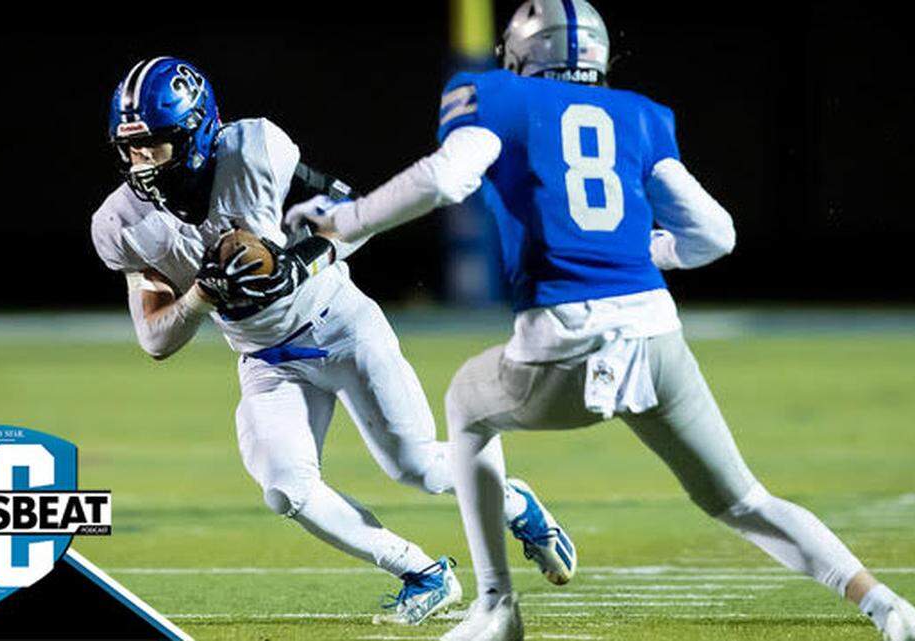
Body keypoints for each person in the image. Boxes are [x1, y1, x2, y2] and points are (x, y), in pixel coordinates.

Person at [284, 2, 915, 640]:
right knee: (743, 499)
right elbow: (716, 235)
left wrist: (344, 222)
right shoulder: (636, 114)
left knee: (466, 402)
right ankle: (888, 607)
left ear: (520, 54)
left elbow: (449, 179)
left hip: (563, 341)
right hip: (656, 338)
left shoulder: (497, 96)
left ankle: (497, 606)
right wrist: (646, 249)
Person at [90, 56, 575, 625]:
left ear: (196, 130)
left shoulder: (255, 151)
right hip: (264, 357)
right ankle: (422, 572)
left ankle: (516, 502)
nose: (142, 163)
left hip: (339, 324)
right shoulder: (121, 221)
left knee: (417, 467)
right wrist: (200, 294)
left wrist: (297, 264)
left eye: (156, 145)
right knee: (285, 489)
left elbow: (352, 213)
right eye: (132, 148)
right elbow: (155, 339)